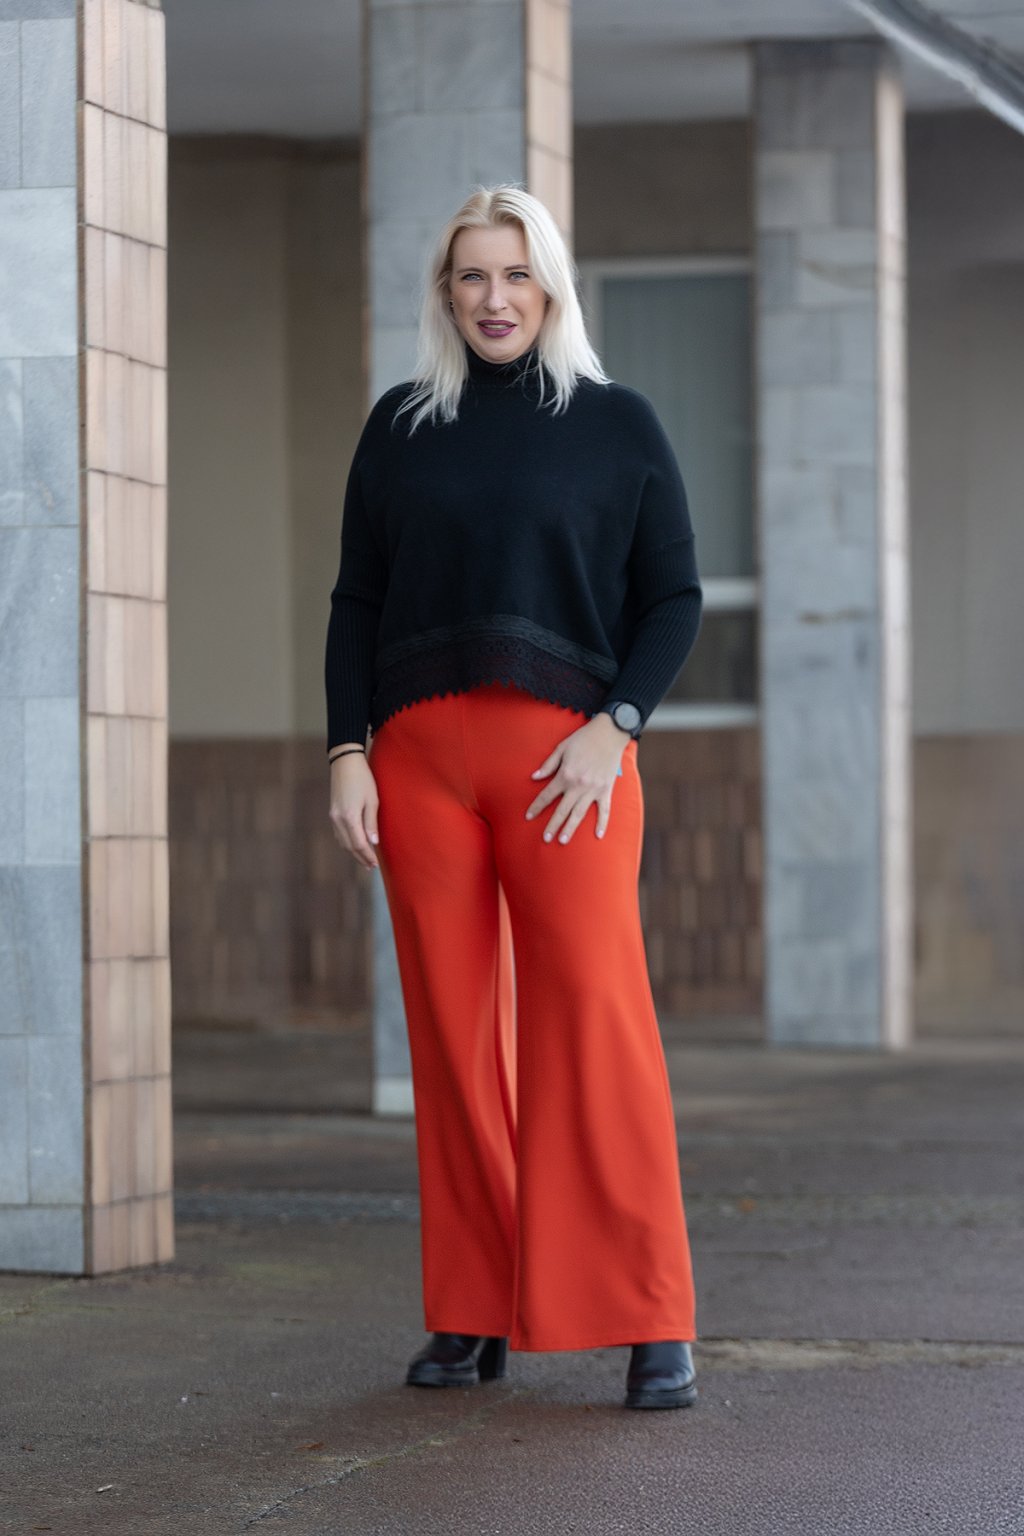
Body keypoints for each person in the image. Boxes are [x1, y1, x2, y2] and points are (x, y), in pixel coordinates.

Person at [324, 184, 703, 1411]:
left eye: (515, 274)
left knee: (593, 1017)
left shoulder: (617, 423)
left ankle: (647, 1313)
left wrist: (617, 726)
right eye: (472, 277)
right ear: (445, 293)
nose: (495, 298)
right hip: (418, 765)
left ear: (550, 286)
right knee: (450, 1034)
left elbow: (674, 599)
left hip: (567, 768)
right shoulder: (400, 426)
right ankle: (471, 1309)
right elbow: (356, 601)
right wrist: (345, 752)